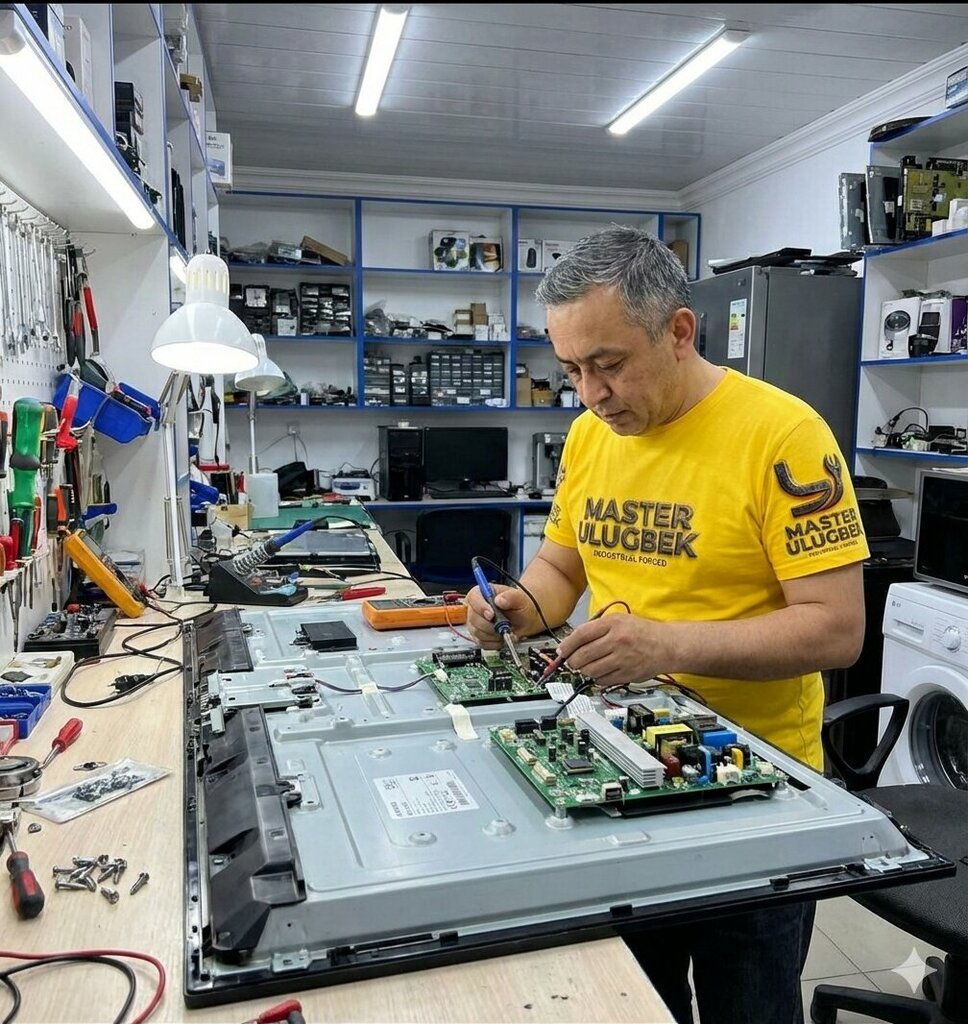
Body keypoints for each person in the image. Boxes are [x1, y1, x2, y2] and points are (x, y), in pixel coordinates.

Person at [465, 225, 868, 1024]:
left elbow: (836, 630)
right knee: (637, 1003)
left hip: (752, 792)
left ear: (679, 331)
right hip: (616, 764)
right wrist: (516, 604)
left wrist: (666, 644)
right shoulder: (591, 435)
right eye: (572, 369)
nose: (591, 393)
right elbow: (561, 572)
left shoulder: (784, 436)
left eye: (608, 364)